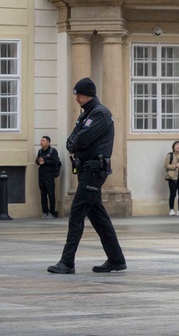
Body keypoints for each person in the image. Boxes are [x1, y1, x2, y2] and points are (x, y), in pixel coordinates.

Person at [47, 78, 127, 275]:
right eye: (76, 94)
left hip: (93, 172)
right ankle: (116, 259)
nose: (76, 98)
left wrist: (75, 142)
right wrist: (74, 141)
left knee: (76, 214)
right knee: (98, 217)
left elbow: (81, 139)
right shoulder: (87, 114)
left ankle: (67, 262)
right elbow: (71, 140)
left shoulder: (100, 113)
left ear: (88, 94)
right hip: (86, 171)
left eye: (79, 94)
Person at [36, 135, 61, 218]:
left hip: (49, 175)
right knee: (43, 194)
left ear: (48, 142)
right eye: (41, 141)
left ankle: (52, 212)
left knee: (51, 194)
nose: (41, 142)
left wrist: (45, 161)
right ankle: (45, 211)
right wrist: (38, 161)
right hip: (41, 175)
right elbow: (37, 161)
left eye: (43, 141)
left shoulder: (52, 151)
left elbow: (55, 162)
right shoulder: (40, 151)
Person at [164, 141, 179, 216]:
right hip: (172, 177)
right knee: (173, 194)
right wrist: (175, 165)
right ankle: (171, 209)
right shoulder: (170, 155)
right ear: (173, 147)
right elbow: (166, 165)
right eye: (176, 145)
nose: (178, 147)